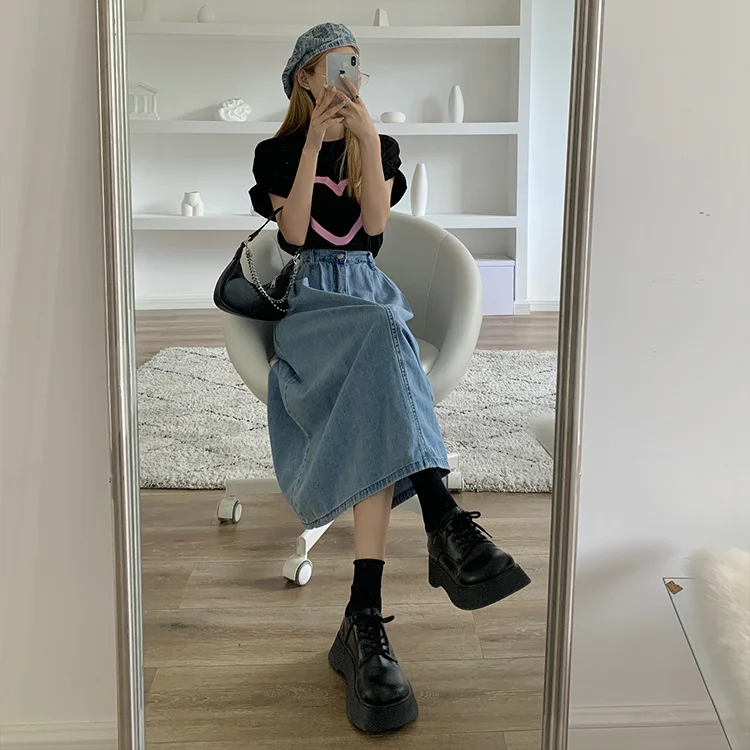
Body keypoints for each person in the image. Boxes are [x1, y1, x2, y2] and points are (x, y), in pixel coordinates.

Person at [249, 22, 531, 734]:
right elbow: (292, 236)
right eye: (332, 67)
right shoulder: (276, 153)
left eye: (355, 67)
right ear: (305, 78)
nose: (347, 79)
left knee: (381, 348)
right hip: (314, 305)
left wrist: (365, 140)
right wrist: (313, 145)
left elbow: (374, 229)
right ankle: (444, 518)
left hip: (369, 293)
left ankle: (364, 613)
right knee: (383, 331)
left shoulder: (382, 147)